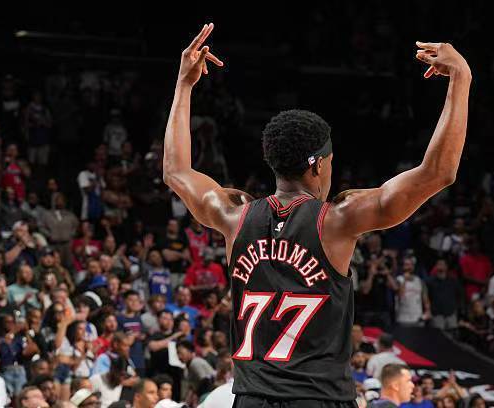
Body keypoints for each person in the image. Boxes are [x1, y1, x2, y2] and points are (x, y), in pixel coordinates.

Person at [164, 22, 471, 407]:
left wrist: (184, 84)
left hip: (251, 399)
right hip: (318, 399)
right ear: (319, 165)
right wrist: (461, 78)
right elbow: (438, 172)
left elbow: (176, 171)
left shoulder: (233, 215)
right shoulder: (337, 220)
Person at [396, 257, 431, 326]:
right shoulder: (399, 279)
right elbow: (400, 296)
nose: (409, 267)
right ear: (403, 267)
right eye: (406, 265)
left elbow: (425, 298)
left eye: (411, 265)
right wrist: (404, 281)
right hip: (403, 318)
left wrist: (428, 310)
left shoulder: (419, 281)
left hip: (418, 318)